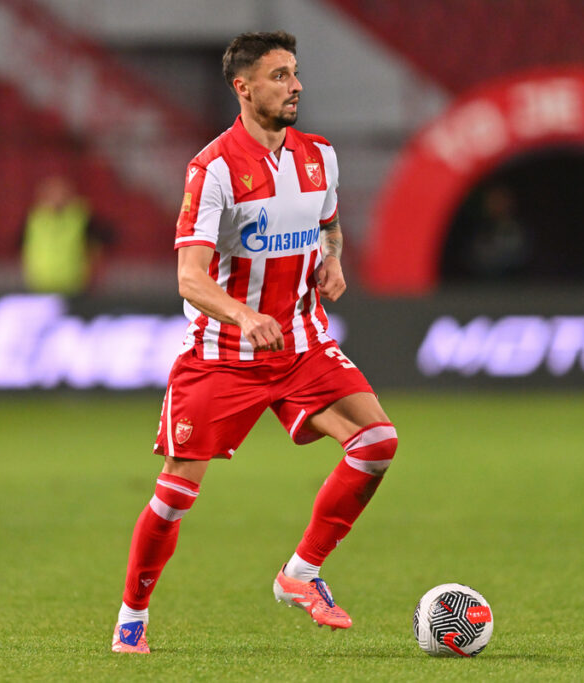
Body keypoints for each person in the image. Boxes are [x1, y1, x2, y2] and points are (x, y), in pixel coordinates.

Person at [111, 30, 398, 654]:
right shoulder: (212, 169)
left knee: (377, 443)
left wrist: (333, 260)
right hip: (223, 356)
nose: (295, 86)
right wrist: (242, 314)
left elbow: (329, 224)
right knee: (175, 495)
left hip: (300, 344)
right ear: (243, 88)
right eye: (279, 76)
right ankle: (132, 615)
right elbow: (190, 276)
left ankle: (301, 574)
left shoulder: (319, 154)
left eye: (295, 74)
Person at [20, 175, 113, 296]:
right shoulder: (34, 218)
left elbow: (98, 250)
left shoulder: (82, 217)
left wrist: (94, 277)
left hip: (75, 286)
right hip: (40, 285)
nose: (57, 197)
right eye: (52, 192)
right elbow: (23, 248)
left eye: (61, 192)